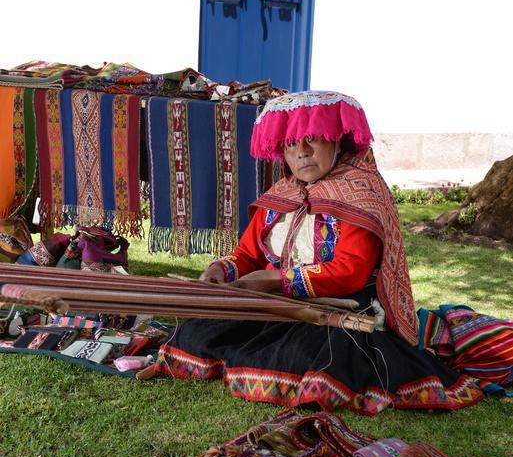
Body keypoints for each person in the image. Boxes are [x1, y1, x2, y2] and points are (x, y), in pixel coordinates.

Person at [155, 91, 483, 415]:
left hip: (340, 311)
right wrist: (221, 270)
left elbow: (350, 271)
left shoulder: (359, 194)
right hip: (276, 306)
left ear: (336, 140)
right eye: (291, 144)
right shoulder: (280, 196)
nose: (302, 152)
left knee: (305, 355)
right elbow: (247, 254)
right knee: (196, 328)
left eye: (313, 139)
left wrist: (273, 280)